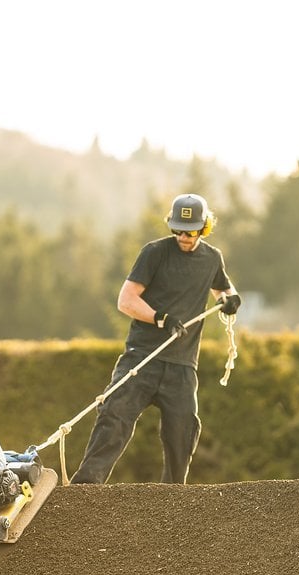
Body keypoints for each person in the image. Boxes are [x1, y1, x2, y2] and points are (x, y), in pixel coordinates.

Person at [71, 193, 241, 485]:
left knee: (183, 431)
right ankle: (86, 486)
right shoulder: (154, 253)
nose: (183, 237)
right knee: (115, 414)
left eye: (190, 231)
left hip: (183, 365)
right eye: (177, 230)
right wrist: (160, 318)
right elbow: (126, 301)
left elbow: (223, 290)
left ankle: (173, 497)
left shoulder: (212, 259)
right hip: (143, 356)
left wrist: (230, 299)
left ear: (204, 228)